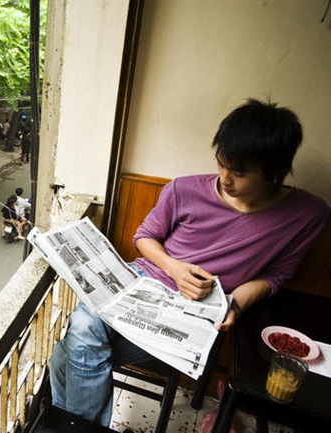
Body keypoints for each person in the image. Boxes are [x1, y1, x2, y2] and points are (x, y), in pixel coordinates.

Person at [48, 99, 329, 427]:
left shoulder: (306, 215)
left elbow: (278, 274)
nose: (224, 177)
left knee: (66, 355)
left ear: (275, 172)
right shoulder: (184, 189)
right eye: (221, 163)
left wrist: (235, 303)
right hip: (143, 281)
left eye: (238, 171)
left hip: (194, 315)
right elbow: (144, 238)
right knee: (81, 334)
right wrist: (175, 268)